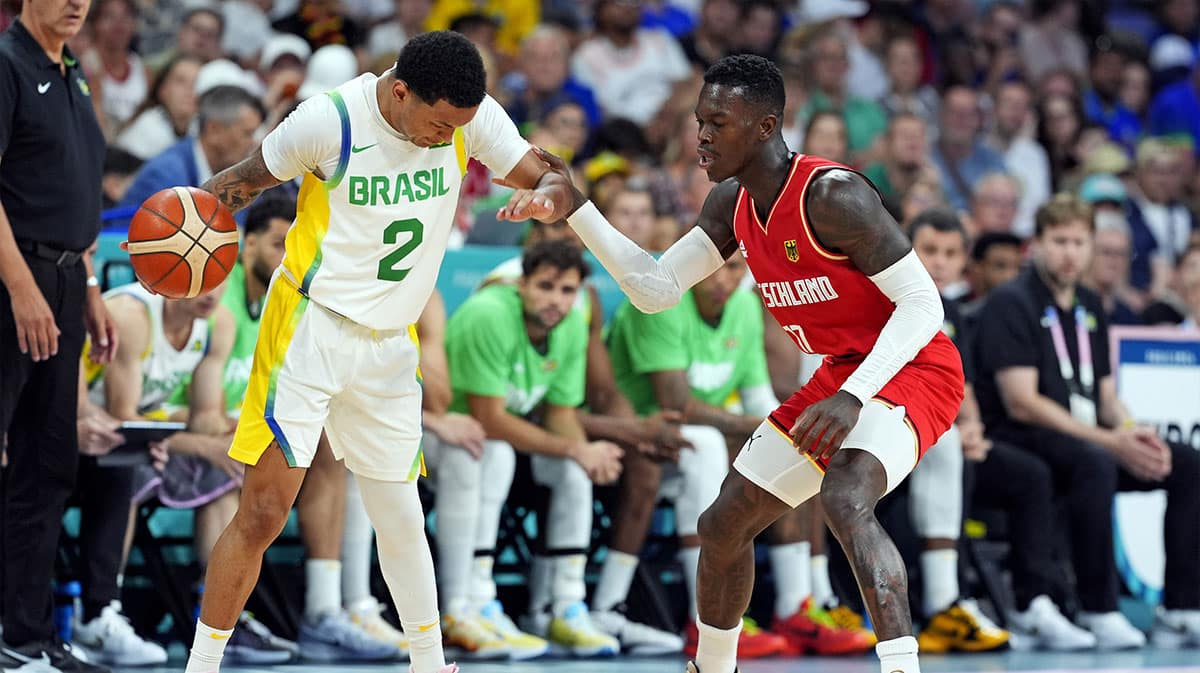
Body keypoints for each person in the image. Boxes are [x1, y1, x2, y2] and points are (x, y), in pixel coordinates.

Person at [501, 54, 964, 673]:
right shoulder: (731, 205)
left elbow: (922, 304)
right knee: (723, 524)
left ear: (766, 126)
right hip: (842, 373)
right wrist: (578, 209)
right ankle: (713, 668)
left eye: (718, 122)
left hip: (913, 365)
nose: (703, 135)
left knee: (846, 496)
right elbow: (656, 288)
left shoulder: (832, 195)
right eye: (699, 121)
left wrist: (853, 397)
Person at [176, 31, 578, 673]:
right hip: (310, 328)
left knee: (400, 514)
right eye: (438, 124)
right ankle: (202, 665)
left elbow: (554, 176)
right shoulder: (327, 120)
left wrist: (551, 196)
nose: (447, 138)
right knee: (263, 510)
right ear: (399, 92)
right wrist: (180, 234)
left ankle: (428, 663)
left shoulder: (470, 121)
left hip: (391, 342)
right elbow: (243, 182)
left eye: (459, 128)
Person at [973, 194, 1200, 649]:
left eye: (1079, 242)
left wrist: (1133, 431)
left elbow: (1106, 394)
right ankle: (1099, 608)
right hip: (1021, 435)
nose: (1070, 252)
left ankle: (1180, 607)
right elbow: (1022, 402)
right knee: (1094, 461)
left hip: (1084, 435)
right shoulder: (1011, 301)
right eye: (1059, 241)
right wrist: (1110, 442)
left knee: (1187, 463)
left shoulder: (1091, 304)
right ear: (1035, 245)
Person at [0, 0, 117, 670]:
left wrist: (92, 289)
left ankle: (28, 632)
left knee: (49, 463)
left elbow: (78, 192)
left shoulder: (73, 72)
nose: (77, 1)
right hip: (17, 282)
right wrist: (21, 288)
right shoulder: (7, 65)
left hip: (69, 281)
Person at [438, 241, 623, 658]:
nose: (556, 300)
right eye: (545, 287)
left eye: (567, 290)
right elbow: (488, 418)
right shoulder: (489, 313)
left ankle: (564, 606)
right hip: (450, 436)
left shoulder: (573, 323)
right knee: (501, 452)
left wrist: (586, 454)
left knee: (576, 469)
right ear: (521, 284)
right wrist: (575, 449)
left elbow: (560, 412)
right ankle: (478, 598)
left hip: (506, 443)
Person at [73, 281, 236, 667]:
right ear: (171, 271)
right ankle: (101, 611)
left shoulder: (217, 324)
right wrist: (202, 445)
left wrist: (241, 434)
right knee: (131, 469)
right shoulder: (133, 316)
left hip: (146, 437)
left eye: (219, 278)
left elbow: (205, 418)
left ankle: (222, 616)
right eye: (201, 279)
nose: (212, 293)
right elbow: (122, 415)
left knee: (225, 472)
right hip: (83, 429)